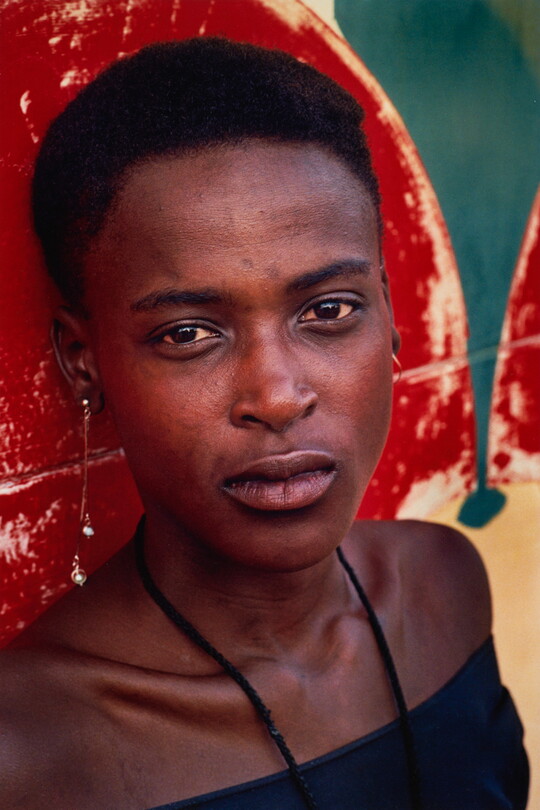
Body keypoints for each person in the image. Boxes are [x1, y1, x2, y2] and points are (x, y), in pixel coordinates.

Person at [0, 37, 528, 810]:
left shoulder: (445, 586)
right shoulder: (32, 749)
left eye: (328, 311)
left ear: (388, 314)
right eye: (188, 333)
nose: (277, 397)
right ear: (85, 362)